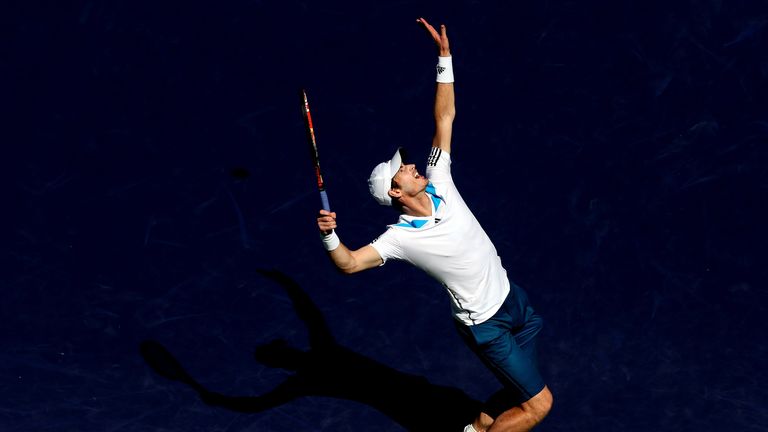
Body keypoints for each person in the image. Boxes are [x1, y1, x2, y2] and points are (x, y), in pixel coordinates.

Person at [316, 17, 553, 432]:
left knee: (518, 388)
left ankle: (476, 430)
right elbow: (350, 264)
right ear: (394, 192)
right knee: (538, 406)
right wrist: (329, 234)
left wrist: (444, 58)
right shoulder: (399, 239)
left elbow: (445, 117)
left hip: (513, 299)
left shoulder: (439, 177)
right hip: (485, 324)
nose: (409, 164)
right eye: (401, 170)